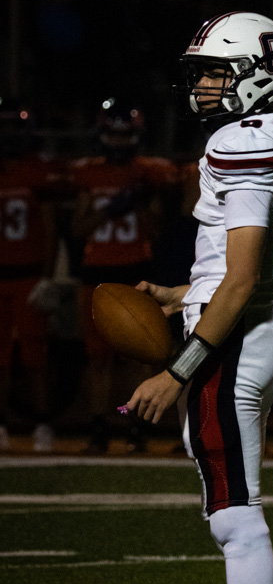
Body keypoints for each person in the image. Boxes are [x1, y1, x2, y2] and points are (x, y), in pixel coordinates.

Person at [125, 11, 273, 584]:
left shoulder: (245, 139)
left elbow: (239, 282)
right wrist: (181, 294)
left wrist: (177, 368)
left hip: (233, 339)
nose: (204, 85)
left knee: (235, 518)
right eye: (201, 72)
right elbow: (266, 264)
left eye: (216, 70)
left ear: (259, 70)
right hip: (251, 329)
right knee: (238, 513)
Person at [69, 100, 178, 453]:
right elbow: (78, 229)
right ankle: (100, 428)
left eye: (124, 136)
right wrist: (112, 208)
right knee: (98, 359)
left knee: (137, 356)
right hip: (96, 273)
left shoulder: (147, 174)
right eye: (112, 135)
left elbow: (156, 230)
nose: (117, 143)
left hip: (135, 273)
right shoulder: (90, 175)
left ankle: (136, 427)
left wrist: (139, 203)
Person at [0, 99, 59, 452]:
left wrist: (47, 275)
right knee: (1, 359)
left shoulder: (38, 171)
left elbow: (50, 228)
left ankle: (43, 424)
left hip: (28, 275)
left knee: (36, 356)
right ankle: (2, 425)